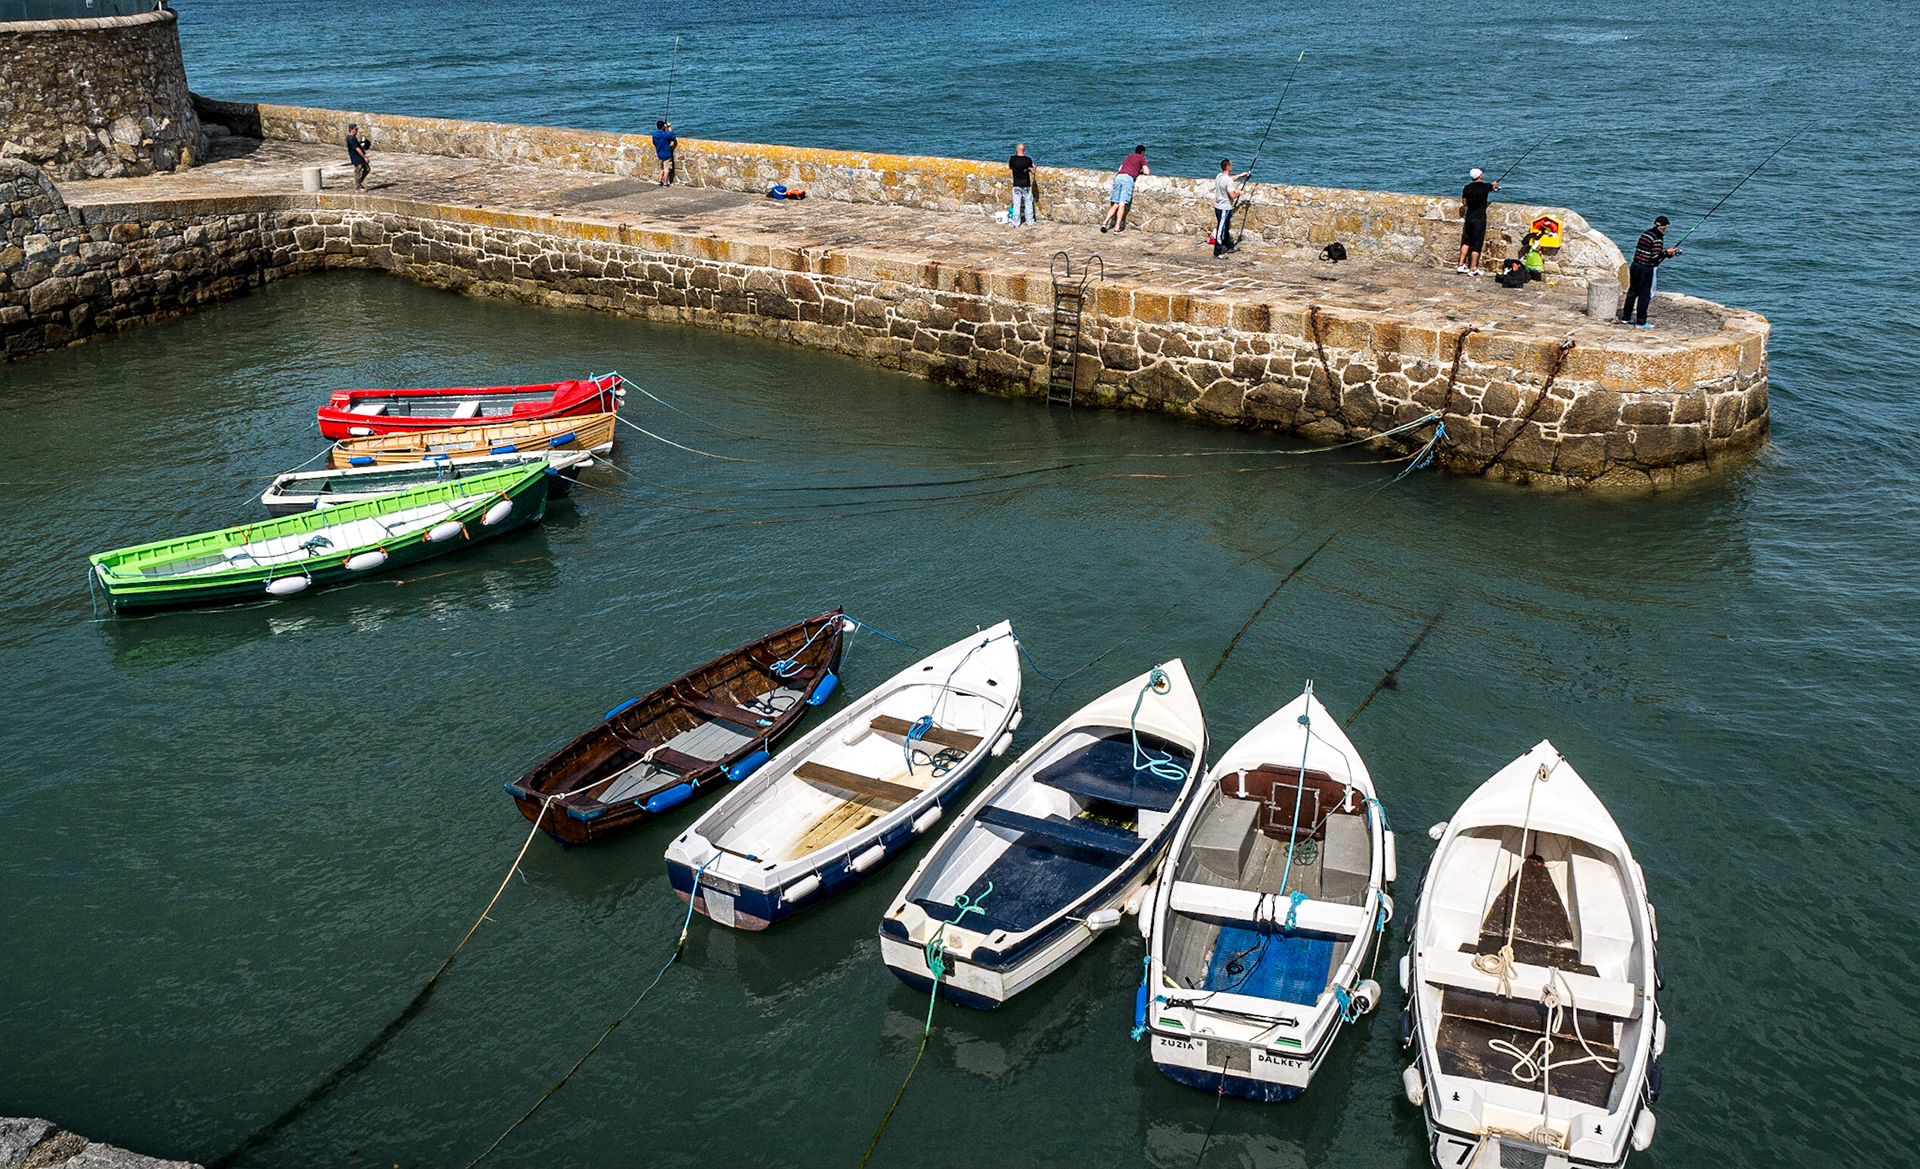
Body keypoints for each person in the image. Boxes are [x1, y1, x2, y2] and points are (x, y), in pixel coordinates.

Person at [1620, 215, 1680, 328]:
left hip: (1635, 265)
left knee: (1632, 292)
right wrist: (1667, 253)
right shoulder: (1657, 238)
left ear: (1654, 223)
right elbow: (1654, 257)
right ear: (1665, 226)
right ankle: (1641, 322)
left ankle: (1626, 318)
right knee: (1644, 295)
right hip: (1645, 269)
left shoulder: (1646, 233)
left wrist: (1665, 254)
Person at [1457, 167, 1497, 274]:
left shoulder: (1467, 188)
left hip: (1469, 217)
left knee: (1466, 241)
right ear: (1480, 176)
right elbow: (1493, 187)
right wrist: (1494, 185)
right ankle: (1473, 268)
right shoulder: (1485, 186)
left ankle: (1461, 264)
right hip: (1479, 218)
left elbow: (1464, 203)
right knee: (1476, 243)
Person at [1100, 146, 1149, 233]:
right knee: (1122, 204)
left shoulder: (1129, 157)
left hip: (1119, 177)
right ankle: (1117, 228)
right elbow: (1146, 172)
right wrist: (1139, 172)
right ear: (1142, 152)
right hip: (1128, 179)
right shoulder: (1141, 158)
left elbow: (1119, 169)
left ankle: (1104, 223)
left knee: (1116, 204)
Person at [1212, 158, 1250, 257]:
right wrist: (1239, 193)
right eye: (1231, 165)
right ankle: (1217, 252)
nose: (1232, 167)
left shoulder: (1219, 176)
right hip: (1224, 208)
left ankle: (1229, 246)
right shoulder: (1228, 180)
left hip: (1218, 207)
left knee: (1225, 228)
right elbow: (1232, 195)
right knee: (1221, 230)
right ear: (1228, 167)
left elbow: (1230, 179)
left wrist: (1241, 175)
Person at [1007, 143, 1035, 227]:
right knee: (1028, 203)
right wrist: (1033, 167)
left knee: (1016, 204)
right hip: (1026, 184)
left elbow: (1011, 167)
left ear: (1017, 149)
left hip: (1016, 184)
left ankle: (1016, 223)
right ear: (1024, 150)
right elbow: (1033, 172)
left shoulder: (1012, 159)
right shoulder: (1028, 160)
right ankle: (1030, 222)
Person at [345, 123, 370, 190]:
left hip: (360, 157)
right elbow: (357, 148)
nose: (357, 130)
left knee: (367, 169)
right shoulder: (350, 139)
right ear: (351, 130)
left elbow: (359, 147)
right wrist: (364, 157)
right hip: (356, 157)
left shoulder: (354, 138)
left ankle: (359, 182)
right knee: (358, 171)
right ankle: (358, 186)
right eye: (355, 129)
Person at [652, 120, 677, 186]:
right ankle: (665, 183)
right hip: (666, 154)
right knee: (666, 169)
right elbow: (673, 137)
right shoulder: (665, 134)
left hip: (659, 154)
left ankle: (660, 180)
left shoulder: (654, 134)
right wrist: (670, 130)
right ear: (663, 127)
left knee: (661, 168)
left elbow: (654, 143)